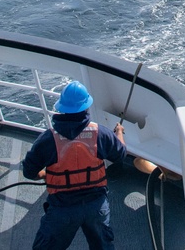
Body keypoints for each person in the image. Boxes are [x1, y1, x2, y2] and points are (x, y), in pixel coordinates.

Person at [23, 80, 127, 250]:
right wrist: (119, 133)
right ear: (86, 107)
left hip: (62, 209)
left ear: (62, 108)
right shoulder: (101, 133)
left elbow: (29, 171)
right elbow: (120, 154)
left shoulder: (48, 139)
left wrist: (42, 174)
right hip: (96, 206)